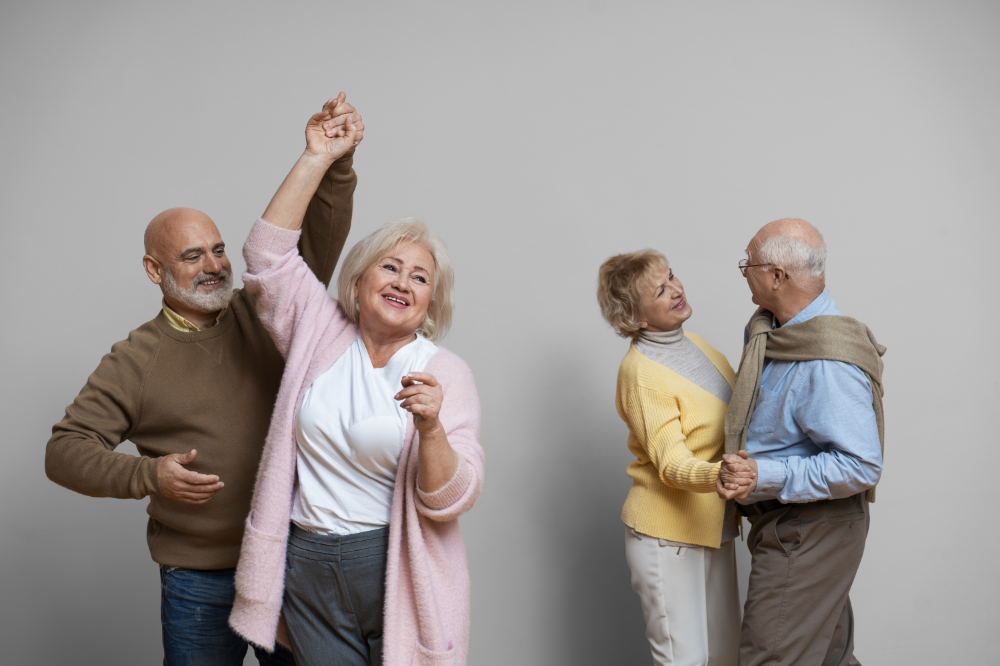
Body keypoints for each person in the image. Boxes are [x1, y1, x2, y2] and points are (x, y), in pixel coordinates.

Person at [44, 94, 364, 665]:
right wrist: (149, 475)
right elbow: (63, 451)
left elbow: (312, 243)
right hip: (198, 582)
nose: (214, 265)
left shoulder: (264, 311)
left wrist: (334, 162)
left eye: (218, 250)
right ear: (155, 270)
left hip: (292, 565)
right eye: (192, 256)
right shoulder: (135, 358)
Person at [226, 108, 484, 666]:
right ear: (360, 278)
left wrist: (432, 428)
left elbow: (451, 500)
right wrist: (318, 156)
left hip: (393, 563)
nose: (403, 283)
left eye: (420, 278)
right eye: (391, 267)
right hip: (308, 564)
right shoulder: (318, 333)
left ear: (431, 303)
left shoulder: (446, 372)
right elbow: (266, 255)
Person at [717, 218, 885, 666]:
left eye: (747, 263)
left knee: (771, 658)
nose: (743, 271)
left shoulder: (826, 360)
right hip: (787, 524)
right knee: (829, 659)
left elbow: (862, 465)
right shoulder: (770, 333)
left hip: (811, 528)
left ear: (777, 276)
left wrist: (762, 473)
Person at [596, 249, 755, 666]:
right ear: (636, 318)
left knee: (725, 657)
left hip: (712, 528)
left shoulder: (698, 347)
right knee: (685, 661)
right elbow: (671, 464)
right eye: (660, 289)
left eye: (672, 277)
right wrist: (722, 474)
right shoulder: (641, 373)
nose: (676, 290)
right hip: (667, 537)